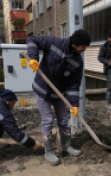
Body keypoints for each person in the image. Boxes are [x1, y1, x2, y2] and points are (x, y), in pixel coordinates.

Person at [27, 29, 91, 165]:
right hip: (42, 89)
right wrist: (33, 58)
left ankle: (66, 146)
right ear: (76, 43)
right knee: (48, 120)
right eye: (83, 46)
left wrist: (74, 104)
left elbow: (74, 84)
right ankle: (49, 152)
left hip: (59, 93)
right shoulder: (53, 43)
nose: (84, 49)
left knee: (63, 120)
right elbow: (32, 40)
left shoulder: (78, 61)